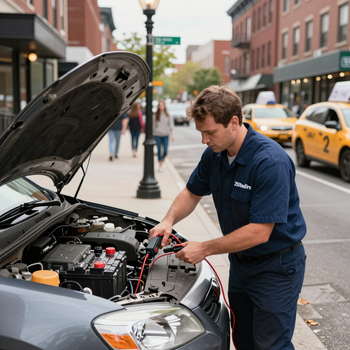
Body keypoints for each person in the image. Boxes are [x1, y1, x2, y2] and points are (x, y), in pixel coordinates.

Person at [149, 85, 307, 350]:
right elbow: (191, 192)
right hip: (241, 264)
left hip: (276, 267)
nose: (204, 140)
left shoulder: (270, 162)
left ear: (234, 122)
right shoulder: (215, 155)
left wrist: (205, 249)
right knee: (243, 340)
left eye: (210, 132)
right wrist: (168, 220)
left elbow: (259, 231)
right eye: (201, 132)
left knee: (271, 345)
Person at [153, 100, 174, 172]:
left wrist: (172, 135)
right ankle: (160, 164)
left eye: (162, 105)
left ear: (164, 106)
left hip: (166, 135)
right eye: (159, 105)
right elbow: (153, 126)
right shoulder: (155, 115)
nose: (160, 107)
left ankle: (163, 160)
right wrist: (153, 135)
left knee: (165, 150)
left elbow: (171, 126)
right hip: (157, 135)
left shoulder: (168, 115)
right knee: (159, 150)